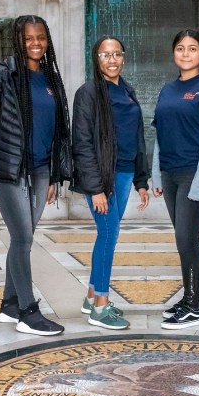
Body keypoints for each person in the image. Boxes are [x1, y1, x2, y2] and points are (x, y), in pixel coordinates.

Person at [0, 15, 71, 336]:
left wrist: (55, 175)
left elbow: (58, 132)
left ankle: (9, 304)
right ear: (18, 40)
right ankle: (28, 313)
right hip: (10, 171)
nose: (35, 44)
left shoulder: (50, 78)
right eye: (28, 38)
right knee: (23, 238)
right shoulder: (1, 76)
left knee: (22, 240)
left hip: (41, 170)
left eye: (40, 37)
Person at [72, 36, 150, 330]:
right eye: (105, 55)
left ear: (124, 57)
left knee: (109, 234)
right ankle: (100, 307)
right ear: (96, 59)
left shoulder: (127, 90)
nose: (112, 59)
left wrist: (141, 179)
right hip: (104, 177)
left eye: (117, 54)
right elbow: (82, 143)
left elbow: (137, 135)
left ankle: (92, 296)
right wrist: (96, 188)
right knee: (108, 234)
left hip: (127, 173)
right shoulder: (88, 93)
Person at [151, 29, 199, 329]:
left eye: (192, 48)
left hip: (196, 174)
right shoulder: (167, 90)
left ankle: (194, 306)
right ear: (174, 53)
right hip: (170, 175)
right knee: (184, 239)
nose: (186, 53)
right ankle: (188, 298)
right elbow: (159, 134)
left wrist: (198, 183)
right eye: (180, 48)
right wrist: (157, 174)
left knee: (186, 236)